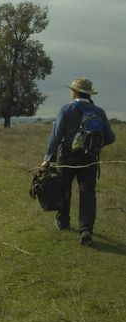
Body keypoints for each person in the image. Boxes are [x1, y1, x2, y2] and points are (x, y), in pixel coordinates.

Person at [41, 77, 115, 246]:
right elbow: (111, 138)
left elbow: (56, 136)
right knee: (87, 194)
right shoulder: (99, 111)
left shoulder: (66, 109)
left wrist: (47, 159)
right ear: (88, 94)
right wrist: (95, 146)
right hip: (89, 159)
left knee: (64, 190)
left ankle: (63, 222)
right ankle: (86, 230)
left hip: (66, 158)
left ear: (74, 92)